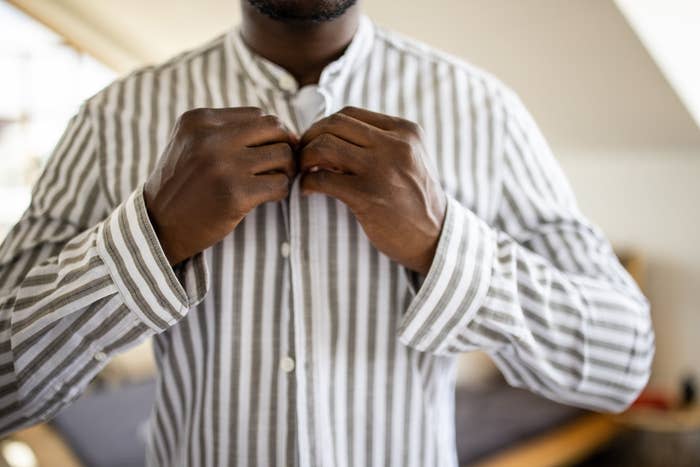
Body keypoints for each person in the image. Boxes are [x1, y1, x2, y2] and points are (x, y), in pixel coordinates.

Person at [0, 1, 654, 466]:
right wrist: (151, 233)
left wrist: (443, 244)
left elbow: (622, 364)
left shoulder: (487, 113)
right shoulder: (115, 117)